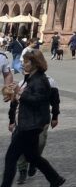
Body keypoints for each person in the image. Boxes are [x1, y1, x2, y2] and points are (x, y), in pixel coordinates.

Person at [1, 50, 63, 187]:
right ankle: (55, 178)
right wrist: (17, 92)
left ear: (34, 63)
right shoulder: (32, 78)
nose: (23, 64)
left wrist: (20, 93)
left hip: (29, 126)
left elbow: (37, 100)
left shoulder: (40, 80)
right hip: (31, 124)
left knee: (11, 158)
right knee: (32, 156)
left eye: (26, 61)